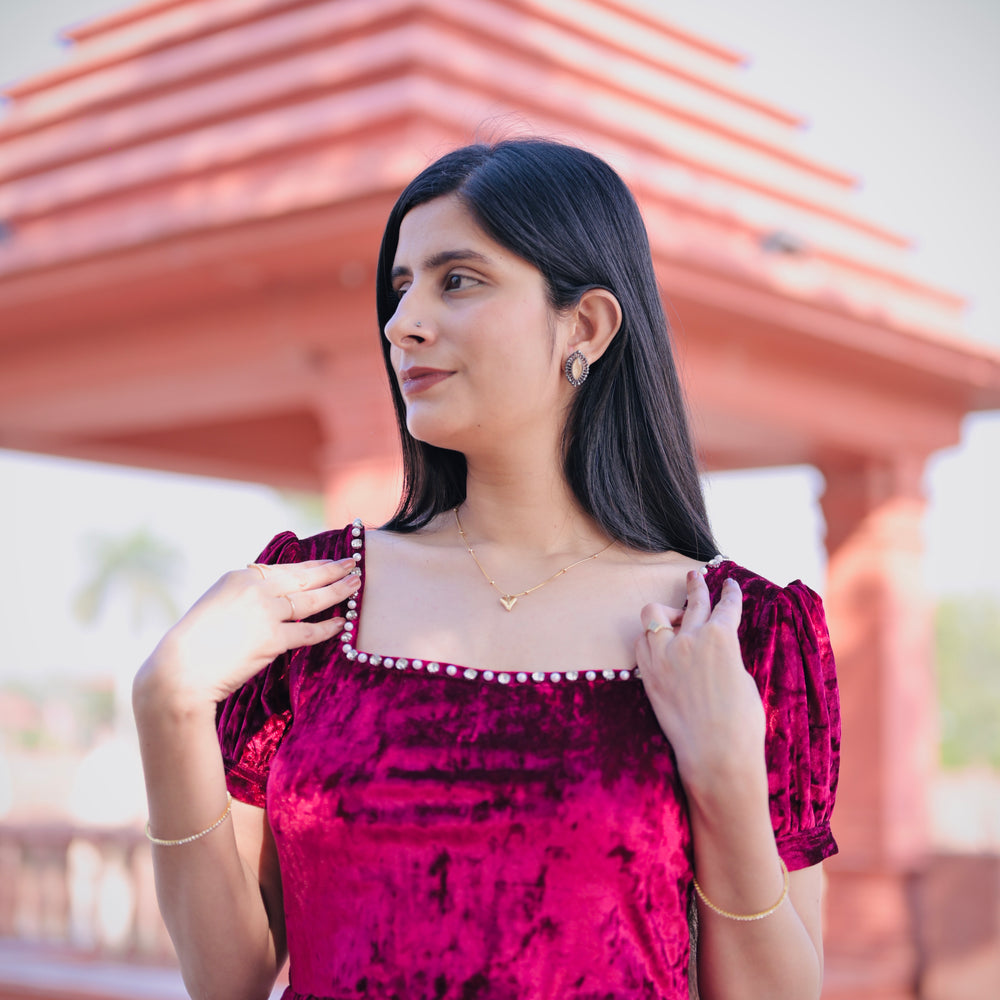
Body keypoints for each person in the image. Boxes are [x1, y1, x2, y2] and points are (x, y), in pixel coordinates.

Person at [133, 138, 839, 1000]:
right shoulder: (309, 603)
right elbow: (227, 980)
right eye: (400, 290)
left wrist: (726, 774)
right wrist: (167, 704)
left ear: (586, 326)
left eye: (456, 280)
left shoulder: (737, 634)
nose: (403, 323)